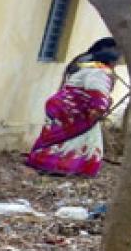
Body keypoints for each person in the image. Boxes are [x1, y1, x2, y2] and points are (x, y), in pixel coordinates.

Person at [26, 48, 120, 177]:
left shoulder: (86, 69)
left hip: (61, 105)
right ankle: (64, 167)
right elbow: (97, 91)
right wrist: (99, 109)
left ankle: (42, 162)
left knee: (56, 136)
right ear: (111, 62)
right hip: (72, 110)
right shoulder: (100, 72)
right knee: (82, 138)